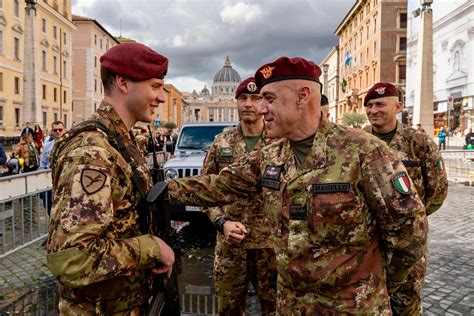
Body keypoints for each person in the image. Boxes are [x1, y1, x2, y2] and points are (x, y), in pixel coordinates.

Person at [164, 56, 428, 314]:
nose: (261, 108)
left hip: (350, 306)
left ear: (302, 96)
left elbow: (409, 231)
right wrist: (162, 190)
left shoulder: (364, 151)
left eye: (269, 99)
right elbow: (222, 184)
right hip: (291, 304)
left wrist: (375, 285)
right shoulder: (271, 153)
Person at [46, 42, 175, 314]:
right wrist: (151, 249)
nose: (161, 98)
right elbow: (73, 259)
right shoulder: (92, 151)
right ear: (123, 83)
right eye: (155, 86)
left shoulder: (118, 140)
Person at [363, 82, 448, 315]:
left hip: (407, 242)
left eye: (380, 104)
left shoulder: (418, 142)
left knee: (406, 298)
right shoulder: (357, 142)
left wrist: (410, 221)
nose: (373, 110)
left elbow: (438, 189)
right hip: (367, 240)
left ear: (398, 106)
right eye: (369, 105)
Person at [202, 77, 277, 315]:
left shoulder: (279, 141)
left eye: (255, 98)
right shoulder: (222, 142)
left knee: (275, 307)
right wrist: (221, 222)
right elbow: (207, 190)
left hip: (270, 245)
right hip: (230, 245)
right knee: (228, 308)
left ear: (265, 102)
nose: (248, 104)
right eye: (243, 98)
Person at [39, 121, 65, 216]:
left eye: (60, 130)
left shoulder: (70, 145)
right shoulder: (47, 146)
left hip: (63, 180)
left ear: (64, 131)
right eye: (55, 130)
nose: (58, 132)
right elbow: (42, 163)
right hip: (49, 181)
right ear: (52, 132)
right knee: (49, 206)